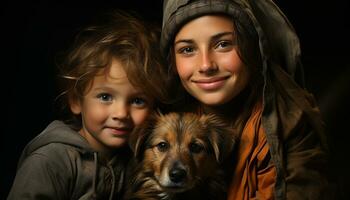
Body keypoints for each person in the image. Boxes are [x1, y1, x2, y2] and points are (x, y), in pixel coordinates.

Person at [160, 0, 330, 199]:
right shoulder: (160, 113)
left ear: (253, 48)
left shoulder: (290, 121)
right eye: (187, 49)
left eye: (223, 44)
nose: (206, 65)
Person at [7, 9, 169, 200]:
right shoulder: (50, 162)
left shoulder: (137, 162)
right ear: (76, 101)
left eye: (137, 101)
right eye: (105, 97)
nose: (121, 113)